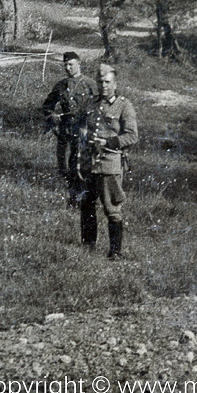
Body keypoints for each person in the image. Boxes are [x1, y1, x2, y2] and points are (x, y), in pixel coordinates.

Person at [78, 64, 138, 259]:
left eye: (107, 82)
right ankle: (88, 246)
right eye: (100, 82)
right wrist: (83, 132)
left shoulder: (123, 105)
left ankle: (115, 252)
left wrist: (110, 141)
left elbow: (132, 136)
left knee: (112, 208)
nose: (103, 86)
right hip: (90, 163)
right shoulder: (92, 103)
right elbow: (83, 124)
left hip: (109, 163)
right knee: (87, 203)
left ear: (115, 83)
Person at [41, 52, 97, 208]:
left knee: (80, 166)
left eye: (71, 64)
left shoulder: (90, 84)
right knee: (63, 167)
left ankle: (79, 198)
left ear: (79, 63)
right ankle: (73, 194)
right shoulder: (61, 85)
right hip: (64, 132)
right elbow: (47, 106)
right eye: (65, 65)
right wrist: (52, 117)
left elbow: (101, 108)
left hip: (83, 131)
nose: (68, 68)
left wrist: (89, 126)